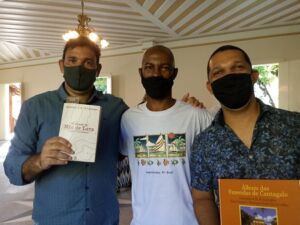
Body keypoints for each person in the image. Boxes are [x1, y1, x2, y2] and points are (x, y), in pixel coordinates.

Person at [4, 36, 128, 225]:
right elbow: (12, 168)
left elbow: (136, 138)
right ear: (62, 66)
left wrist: (177, 109)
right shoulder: (35, 107)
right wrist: (40, 160)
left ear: (98, 69)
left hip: (103, 218)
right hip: (54, 219)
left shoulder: (116, 108)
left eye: (88, 62)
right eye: (72, 61)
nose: (79, 68)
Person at [190, 45, 300, 225]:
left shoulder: (295, 126)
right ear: (210, 87)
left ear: (253, 76)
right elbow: (202, 198)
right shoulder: (204, 143)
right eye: (218, 72)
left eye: (237, 67)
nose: (229, 76)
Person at [120, 45, 213, 225]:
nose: (156, 74)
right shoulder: (128, 119)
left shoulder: (197, 116)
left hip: (188, 220)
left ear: (174, 73)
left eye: (164, 68)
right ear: (141, 72)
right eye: (149, 67)